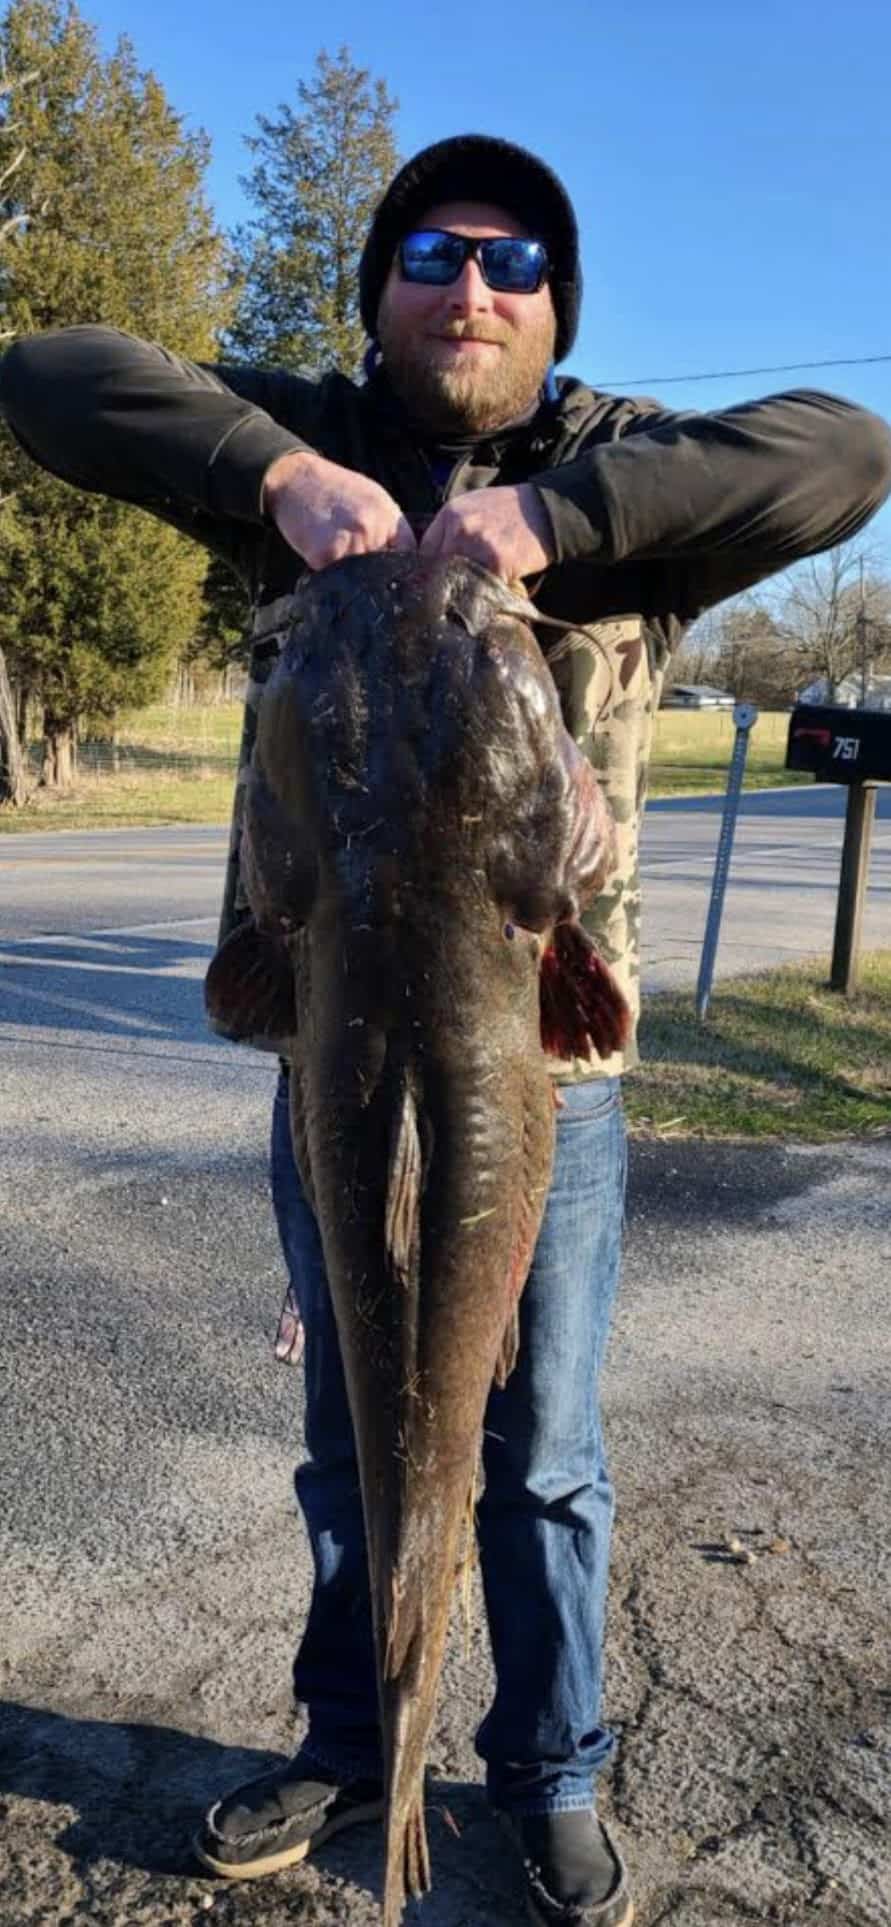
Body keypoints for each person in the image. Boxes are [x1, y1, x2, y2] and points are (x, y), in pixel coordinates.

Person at [2, 132, 889, 1927]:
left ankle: (546, 1770)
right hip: (326, 1042)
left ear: (555, 308)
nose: (467, 284)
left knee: (536, 1443)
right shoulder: (303, 441)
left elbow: (850, 452)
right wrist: (279, 481)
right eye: (429, 252)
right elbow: (40, 375)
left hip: (538, 1064)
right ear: (381, 294)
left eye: (509, 257)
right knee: (354, 1419)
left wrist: (549, 525)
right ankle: (354, 1741)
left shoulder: (619, 468)